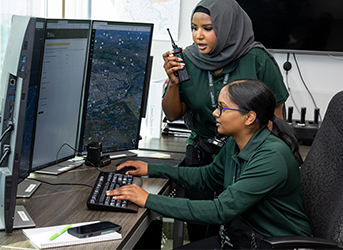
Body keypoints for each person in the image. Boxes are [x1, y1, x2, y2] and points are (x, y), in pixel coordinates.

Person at [106, 79, 312, 249]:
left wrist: (148, 199)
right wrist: (152, 169)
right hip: (242, 238)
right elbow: (208, 177)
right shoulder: (236, 142)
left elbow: (219, 210)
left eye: (222, 108)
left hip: (274, 244)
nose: (215, 113)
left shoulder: (271, 156)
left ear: (249, 117)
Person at [161, 0, 289, 241]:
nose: (198, 36)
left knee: (237, 232)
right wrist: (173, 85)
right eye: (193, 27)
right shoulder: (186, 59)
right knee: (200, 231)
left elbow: (275, 121)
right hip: (203, 154)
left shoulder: (257, 59)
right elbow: (172, 115)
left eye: (207, 28)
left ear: (228, 26)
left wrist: (257, 163)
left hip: (245, 158)